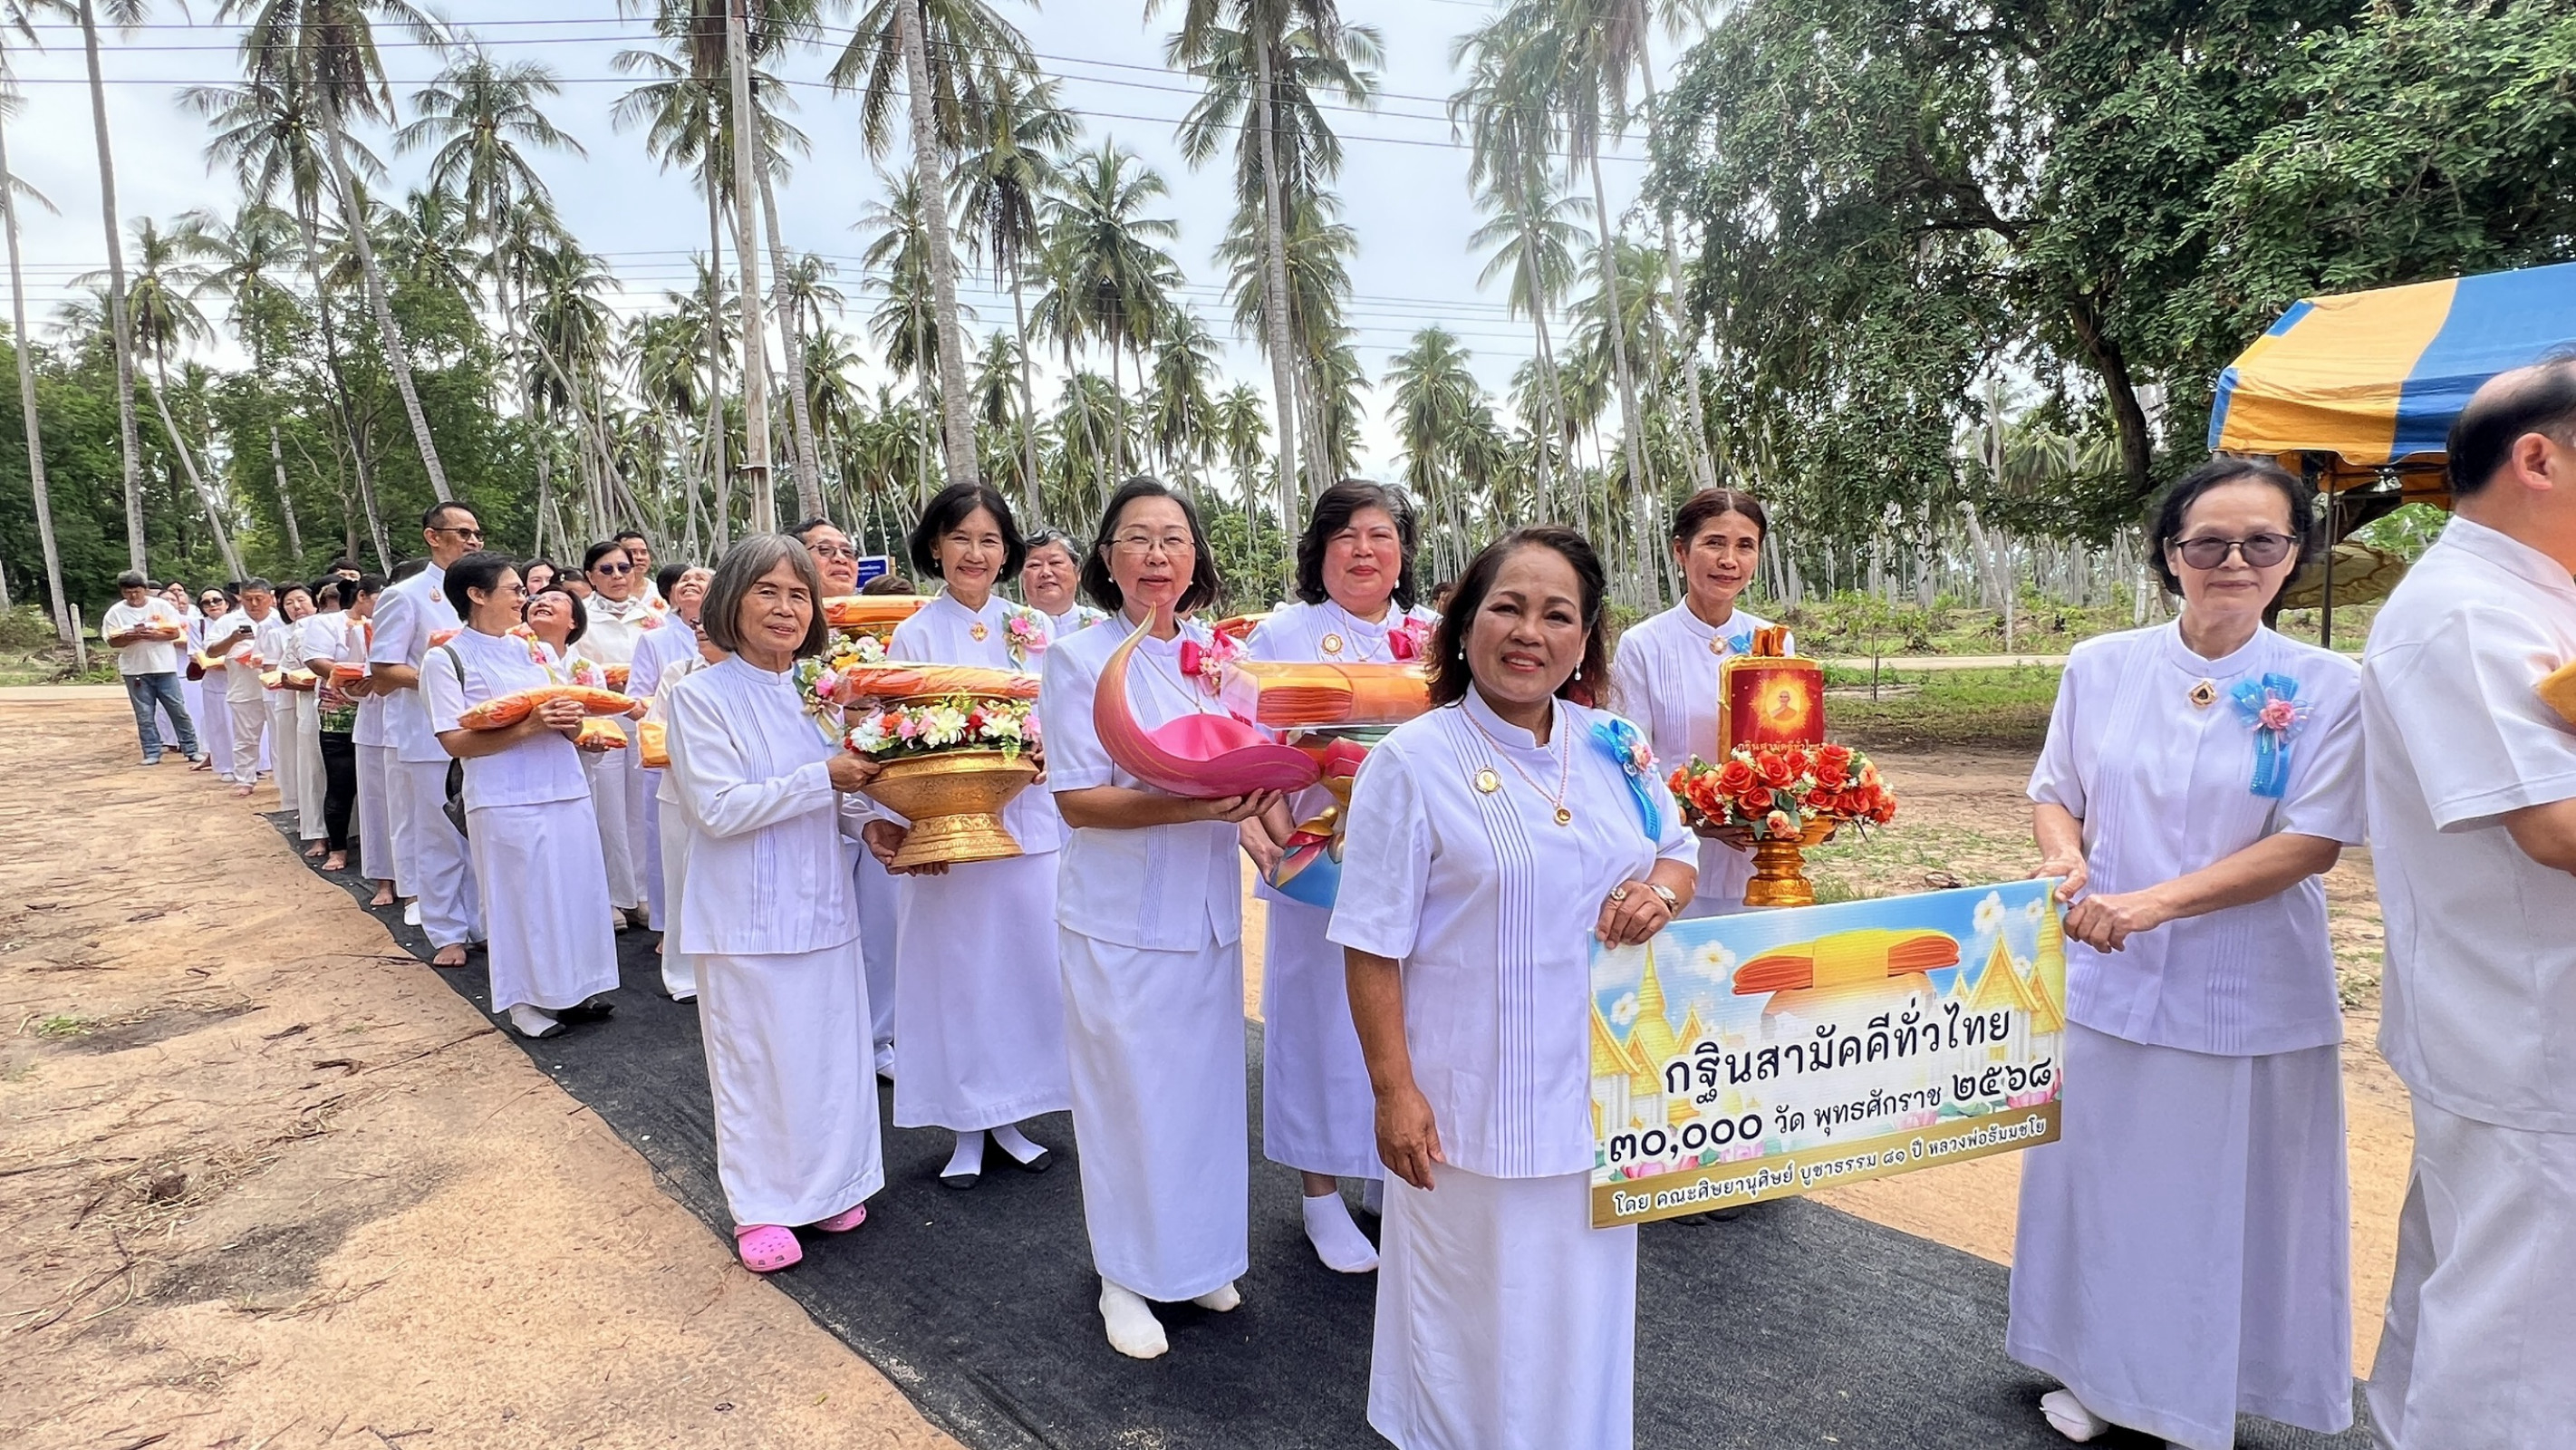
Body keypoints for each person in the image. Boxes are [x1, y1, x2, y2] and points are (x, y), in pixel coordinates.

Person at [2009, 458, 2363, 1450]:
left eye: (2261, 542)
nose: (2231, 561)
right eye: (2205, 543)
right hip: (2104, 972)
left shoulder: (2327, 686)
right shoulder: (2100, 664)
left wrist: (2152, 905)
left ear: (2292, 556)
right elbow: (2054, 789)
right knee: (2105, 1186)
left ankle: (2188, 1396)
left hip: (2241, 988)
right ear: (2170, 555)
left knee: (2210, 1204)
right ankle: (2093, 1372)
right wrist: (2063, 859)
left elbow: (2311, 839)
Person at [1330, 527, 1698, 1450]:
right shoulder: (1408, 764)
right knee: (1467, 1329)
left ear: (1583, 640)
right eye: (1507, 605)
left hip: (1602, 1092)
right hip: (1466, 1108)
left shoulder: (1616, 744)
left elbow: (1678, 851)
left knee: (1581, 1320)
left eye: (1556, 613)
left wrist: (1655, 893)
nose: (1528, 630)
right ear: (1462, 623)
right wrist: (1392, 1091)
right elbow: (1370, 943)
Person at [2361, 360, 2576, 1450]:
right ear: (2535, 457)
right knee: (2520, 1348)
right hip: (2528, 1030)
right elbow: (2551, 829)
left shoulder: (2529, 597)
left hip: (2513, 1029)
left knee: (2477, 1296)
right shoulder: (2464, 614)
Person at [1039, 476, 1288, 1358]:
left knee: (1203, 1097)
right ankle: (1124, 1275)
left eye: (1173, 538)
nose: (1156, 553)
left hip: (1206, 917)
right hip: (1116, 920)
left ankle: (1196, 1259)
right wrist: (1187, 810)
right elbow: (1076, 800)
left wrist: (1274, 840)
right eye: (1137, 537)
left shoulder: (1221, 663)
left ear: (1194, 560)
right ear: (1106, 558)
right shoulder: (1077, 661)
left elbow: (1244, 780)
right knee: (1126, 1097)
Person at [664, 533, 888, 1273]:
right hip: (745, 917)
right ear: (731, 601)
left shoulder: (820, 694)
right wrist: (823, 776)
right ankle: (761, 1205)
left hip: (822, 902)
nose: (786, 608)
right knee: (756, 1065)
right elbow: (718, 809)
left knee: (828, 1056)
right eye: (767, 591)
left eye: (799, 594)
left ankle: (830, 1187)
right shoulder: (699, 696)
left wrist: (877, 826)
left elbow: (844, 792)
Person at [1242, 480, 1439, 1272]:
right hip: (1316, 854)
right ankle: (1320, 1194)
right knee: (1319, 1022)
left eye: (1382, 535)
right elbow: (1244, 746)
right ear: (1318, 551)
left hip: (1416, 864)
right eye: (1346, 535)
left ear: (1402, 554)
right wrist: (1279, 837)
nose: (1364, 550)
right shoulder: (1280, 635)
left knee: (1408, 1024)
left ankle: (1386, 1181)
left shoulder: (1430, 636)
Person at [880, 482, 1072, 1189]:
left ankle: (1013, 1114)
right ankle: (965, 1123)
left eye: (990, 540)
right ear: (936, 545)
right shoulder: (914, 632)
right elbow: (897, 738)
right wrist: (914, 822)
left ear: (1006, 552)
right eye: (961, 538)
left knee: (1020, 971)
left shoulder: (1034, 628)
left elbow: (1064, 713)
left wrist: (1053, 747)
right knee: (957, 973)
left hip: (1028, 825)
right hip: (948, 831)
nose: (975, 553)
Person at [424, 552, 622, 1041]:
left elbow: (561, 712)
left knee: (575, 891)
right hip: (504, 794)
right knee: (520, 899)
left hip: (563, 784)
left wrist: (576, 727)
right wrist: (531, 725)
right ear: (477, 595)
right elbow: (453, 740)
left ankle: (574, 989)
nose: (525, 598)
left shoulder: (530, 650)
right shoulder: (445, 658)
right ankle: (524, 1002)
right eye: (515, 590)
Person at [1608, 488, 1793, 918]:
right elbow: (1630, 764)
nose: (1729, 560)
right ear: (1681, 551)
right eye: (1714, 543)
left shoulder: (1776, 642)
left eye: (1745, 546)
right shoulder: (1643, 645)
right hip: (1673, 863)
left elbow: (1790, 746)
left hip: (1766, 857)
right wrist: (1698, 816)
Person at [792, 515, 899, 1074]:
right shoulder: (787, 638)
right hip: (807, 797)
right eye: (823, 550)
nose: (840, 559)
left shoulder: (884, 633)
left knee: (883, 924)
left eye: (847, 550)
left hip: (878, 794)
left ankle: (879, 1038)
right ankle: (830, 1042)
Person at [370, 503, 487, 968]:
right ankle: (447, 931)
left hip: (483, 729)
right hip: (426, 731)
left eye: (476, 533)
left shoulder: (483, 591)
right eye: (463, 533)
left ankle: (482, 921)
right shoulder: (408, 595)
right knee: (439, 834)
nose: (473, 541)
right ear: (433, 537)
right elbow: (383, 666)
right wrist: (438, 680)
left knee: (478, 829)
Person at [633, 561, 713, 1000]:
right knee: (682, 879)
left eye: (709, 622)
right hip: (677, 793)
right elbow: (655, 731)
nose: (699, 629)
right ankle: (683, 973)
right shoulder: (678, 673)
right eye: (696, 625)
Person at [573, 540, 660, 928]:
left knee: (641, 807)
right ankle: (612, 895)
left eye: (623, 568)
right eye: (606, 570)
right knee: (606, 808)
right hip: (601, 719)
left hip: (644, 719)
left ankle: (643, 892)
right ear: (591, 576)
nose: (618, 577)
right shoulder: (581, 618)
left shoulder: (653, 615)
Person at [356, 564, 418, 911]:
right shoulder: (390, 616)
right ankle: (387, 880)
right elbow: (377, 680)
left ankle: (416, 886)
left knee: (419, 815)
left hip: (416, 727)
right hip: (382, 727)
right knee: (384, 808)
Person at [101, 570, 201, 767]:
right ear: (122, 592)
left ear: (145, 590)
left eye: (137, 591)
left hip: (164, 666)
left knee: (177, 708)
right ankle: (152, 751)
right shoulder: (115, 612)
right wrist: (129, 637)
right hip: (134, 668)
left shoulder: (161, 606)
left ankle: (191, 748)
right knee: (144, 713)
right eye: (128, 592)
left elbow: (175, 633)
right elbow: (111, 641)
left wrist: (154, 635)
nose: (133, 596)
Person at [291, 579, 346, 857]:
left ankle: (348, 836)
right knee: (323, 776)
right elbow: (289, 669)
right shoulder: (311, 628)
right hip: (328, 711)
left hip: (363, 708)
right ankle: (322, 837)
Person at [212, 580, 275, 798]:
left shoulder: (279, 619)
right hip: (243, 686)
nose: (254, 604)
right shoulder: (228, 621)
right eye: (248, 599)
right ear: (241, 598)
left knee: (280, 738)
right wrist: (233, 639)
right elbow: (211, 651)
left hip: (277, 687)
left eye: (259, 598)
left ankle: (284, 778)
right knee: (245, 738)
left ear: (271, 597)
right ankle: (245, 779)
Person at [262, 584, 312, 826]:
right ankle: (294, 804)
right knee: (290, 753)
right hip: (287, 698)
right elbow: (270, 671)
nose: (296, 607)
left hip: (315, 701)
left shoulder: (325, 628)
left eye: (301, 600)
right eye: (289, 603)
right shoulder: (278, 634)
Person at [1022, 528, 1105, 637]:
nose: (1045, 572)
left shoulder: (1103, 627)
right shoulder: (1005, 628)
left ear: (1078, 571)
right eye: (1034, 565)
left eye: (1055, 562)